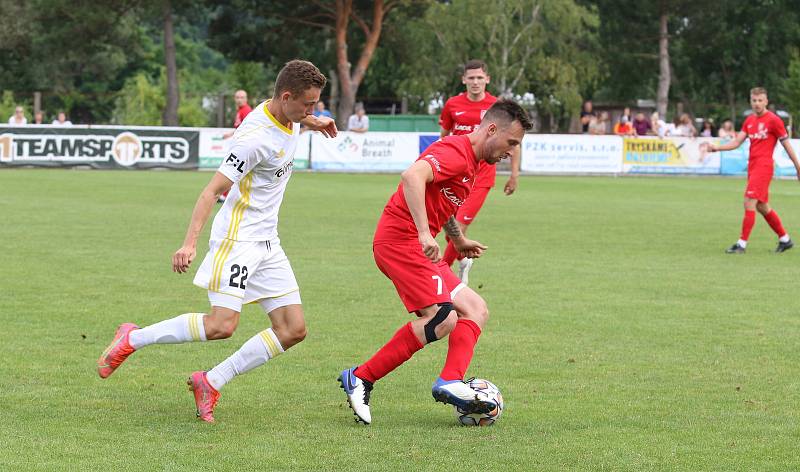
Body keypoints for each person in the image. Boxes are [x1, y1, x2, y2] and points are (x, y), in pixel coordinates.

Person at [97, 60, 337, 423]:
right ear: (287, 97)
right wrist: (189, 244)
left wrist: (311, 121)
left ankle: (211, 381)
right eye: (308, 104)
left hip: (267, 241)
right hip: (237, 239)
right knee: (221, 326)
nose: (312, 110)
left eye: (315, 104)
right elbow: (211, 192)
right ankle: (133, 338)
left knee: (293, 330)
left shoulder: (288, 115)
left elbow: (293, 116)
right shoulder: (254, 140)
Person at [338, 100, 532, 425]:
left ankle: (450, 380)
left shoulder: (474, 162)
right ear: (491, 129)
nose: (511, 152)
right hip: (401, 241)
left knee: (475, 308)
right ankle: (361, 377)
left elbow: (444, 205)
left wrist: (457, 240)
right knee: (442, 318)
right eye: (511, 143)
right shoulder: (457, 151)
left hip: (416, 244)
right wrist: (426, 234)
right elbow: (412, 176)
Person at [438, 59, 521, 284]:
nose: (475, 82)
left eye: (479, 78)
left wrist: (514, 175)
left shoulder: (498, 107)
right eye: (471, 78)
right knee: (448, 226)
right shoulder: (453, 105)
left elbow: (514, 142)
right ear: (464, 80)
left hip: (482, 176)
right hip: (455, 173)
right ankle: (463, 260)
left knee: (460, 226)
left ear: (488, 79)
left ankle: (441, 277)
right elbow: (444, 137)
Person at [708, 87, 800, 254]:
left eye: (760, 100)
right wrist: (717, 148)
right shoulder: (749, 120)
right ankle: (785, 239)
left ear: (766, 101)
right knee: (762, 206)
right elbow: (736, 143)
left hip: (764, 167)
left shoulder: (774, 120)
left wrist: (797, 166)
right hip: (753, 166)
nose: (757, 104)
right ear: (751, 101)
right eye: (754, 100)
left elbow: (787, 146)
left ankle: (741, 244)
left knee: (749, 201)